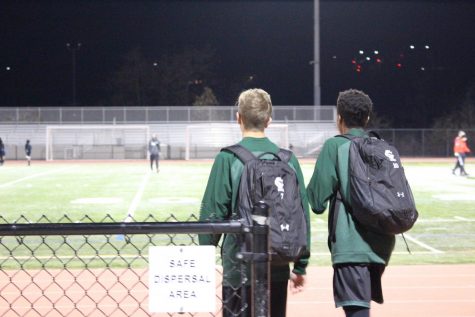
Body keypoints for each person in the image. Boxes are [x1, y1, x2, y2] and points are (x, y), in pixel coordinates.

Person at [199, 88, 310, 317]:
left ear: (238, 117)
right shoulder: (288, 160)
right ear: (269, 120)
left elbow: (211, 215)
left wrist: (205, 256)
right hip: (276, 266)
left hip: (238, 267)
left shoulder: (227, 159)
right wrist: (300, 265)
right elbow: (301, 215)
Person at [306, 89, 395, 317]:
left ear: (339, 118)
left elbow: (316, 201)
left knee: (357, 312)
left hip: (351, 246)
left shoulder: (335, 146)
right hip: (381, 245)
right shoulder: (380, 146)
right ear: (366, 119)